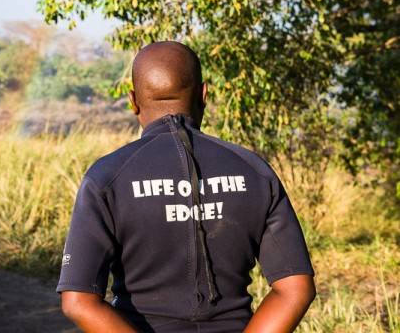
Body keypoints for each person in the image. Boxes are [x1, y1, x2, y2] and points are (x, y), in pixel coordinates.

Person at [57, 41, 316, 332]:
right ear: (203, 95)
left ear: (133, 101)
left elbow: (78, 301)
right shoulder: (254, 171)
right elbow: (295, 288)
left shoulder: (106, 177)